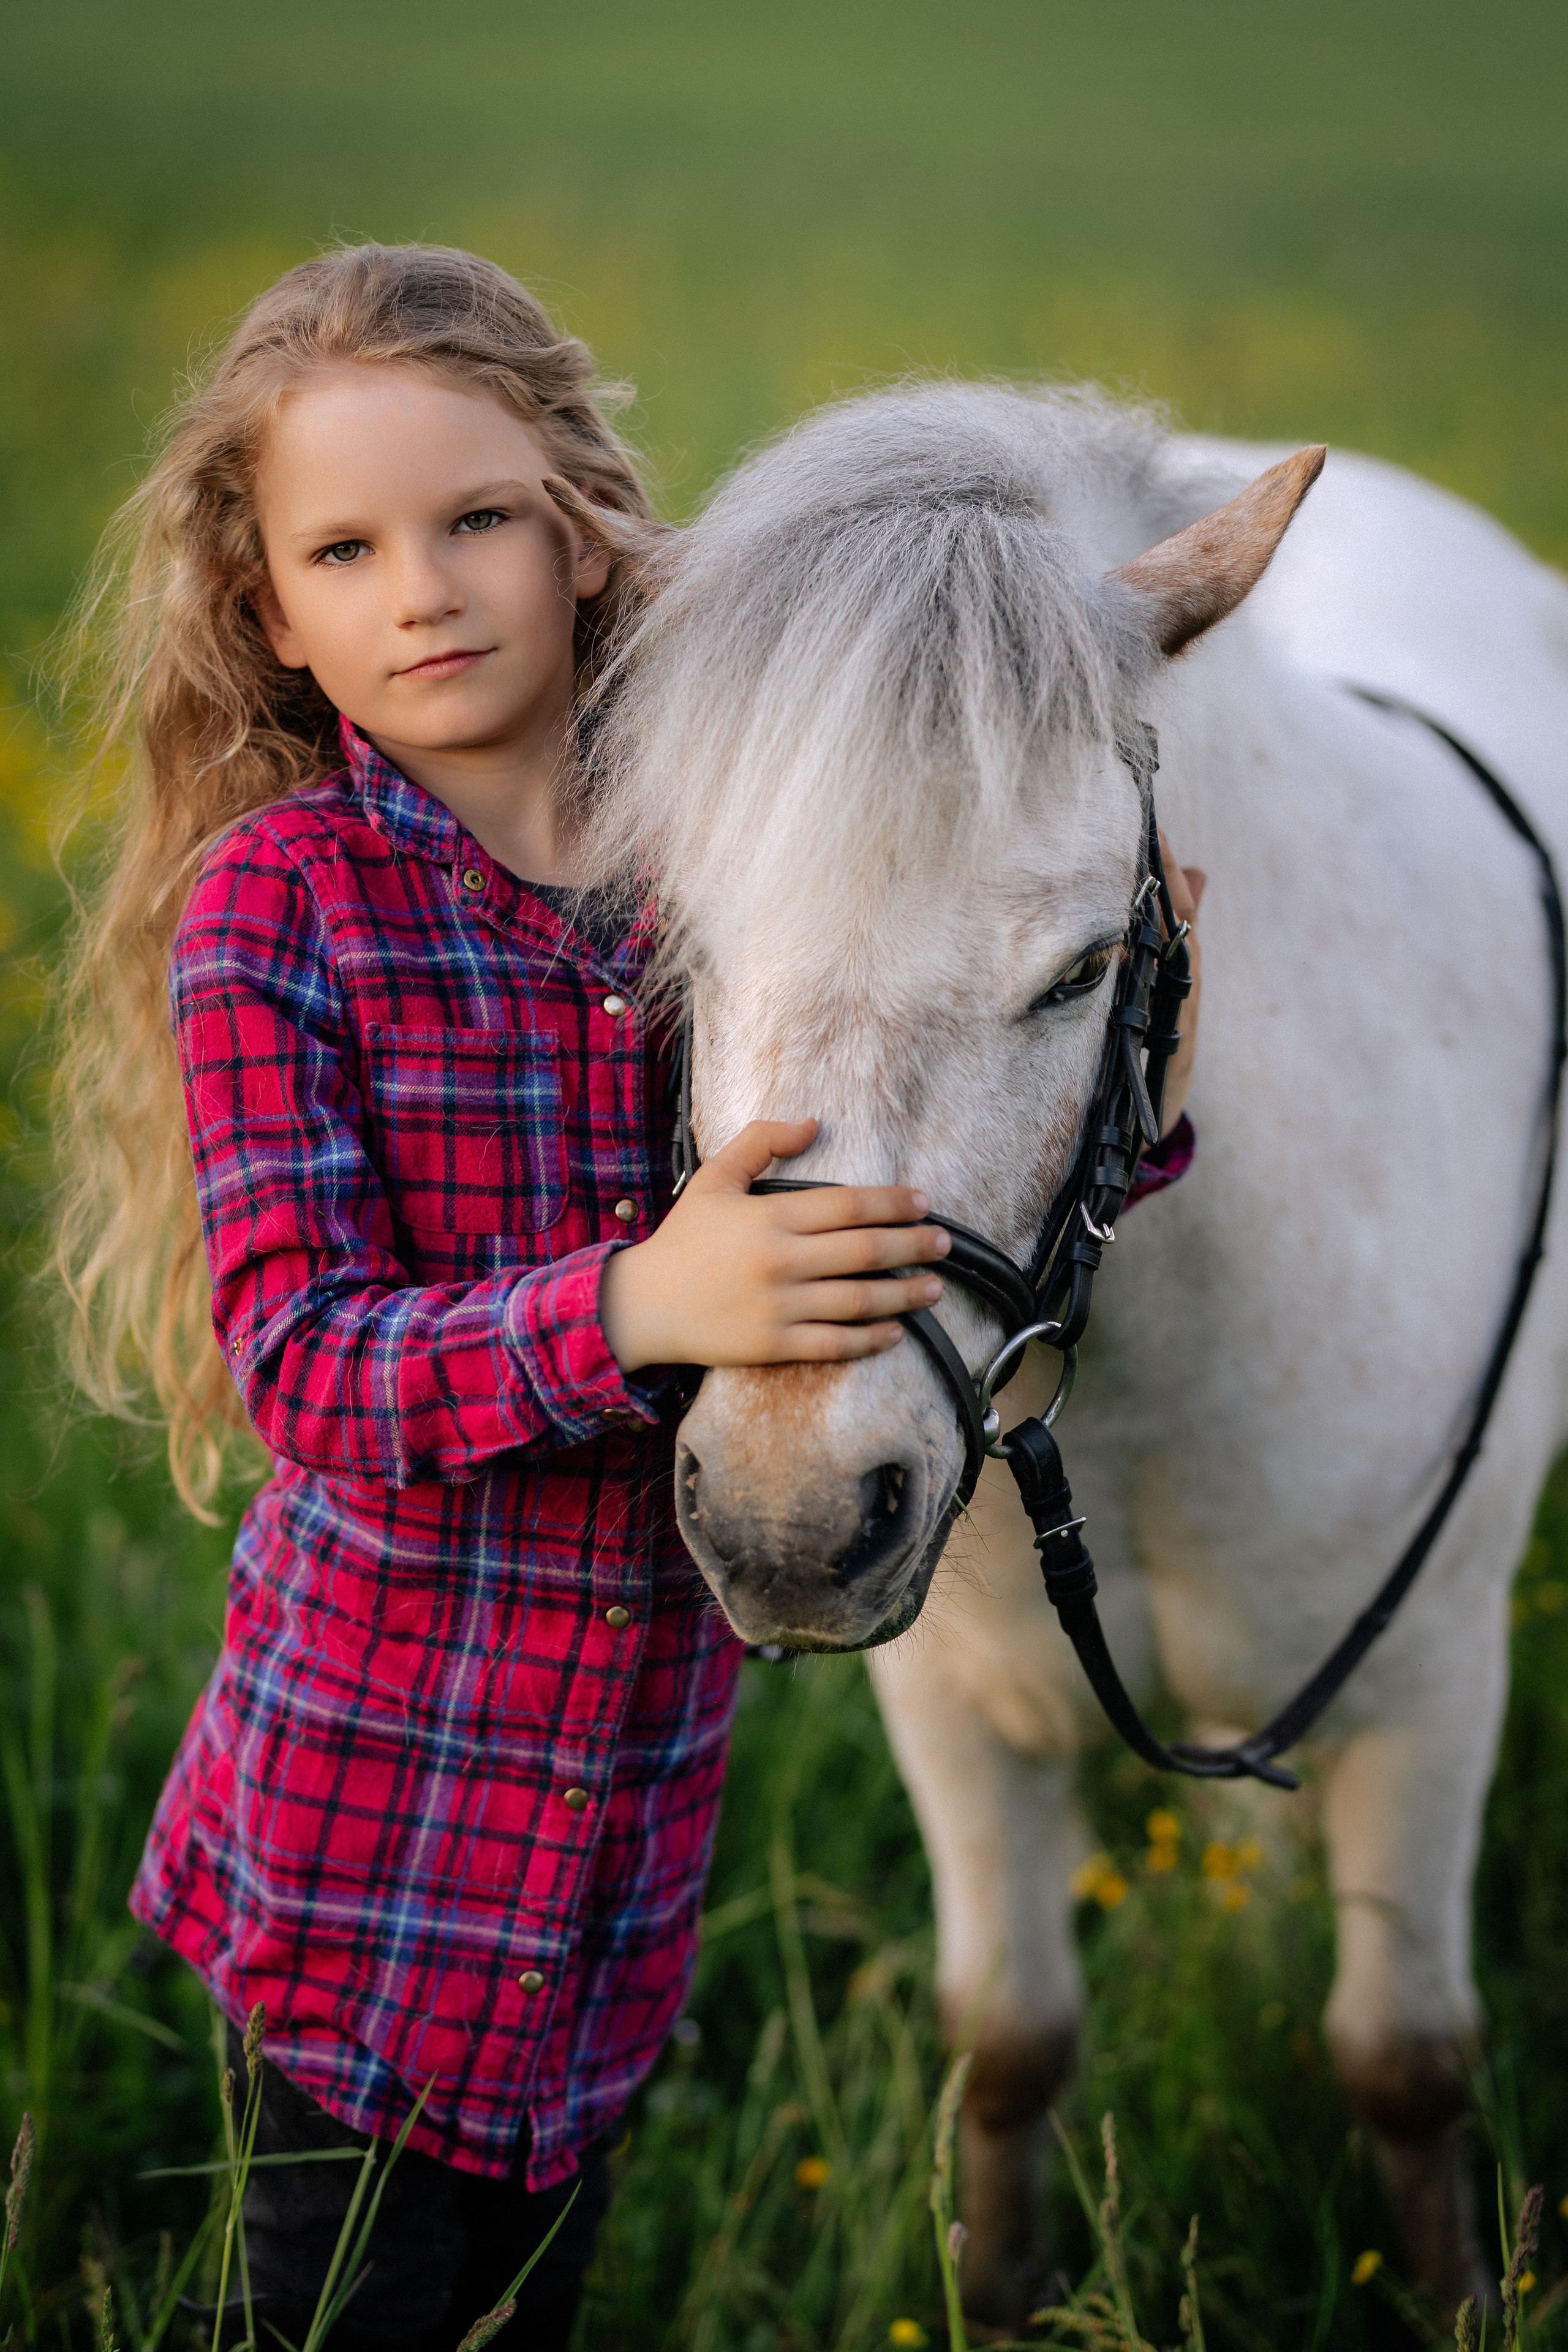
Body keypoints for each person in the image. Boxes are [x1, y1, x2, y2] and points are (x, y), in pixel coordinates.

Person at [54, 243, 1200, 2348]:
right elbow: (305, 1364)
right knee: (343, 2317)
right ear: (271, 609)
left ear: (582, 532)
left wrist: (1131, 1050)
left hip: (620, 1854)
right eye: (347, 546)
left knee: (536, 2308)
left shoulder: (714, 858)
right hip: (363, 1867)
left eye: (478, 516)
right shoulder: (280, 907)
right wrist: (638, 1307)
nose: (426, 586)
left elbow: (921, 1143)